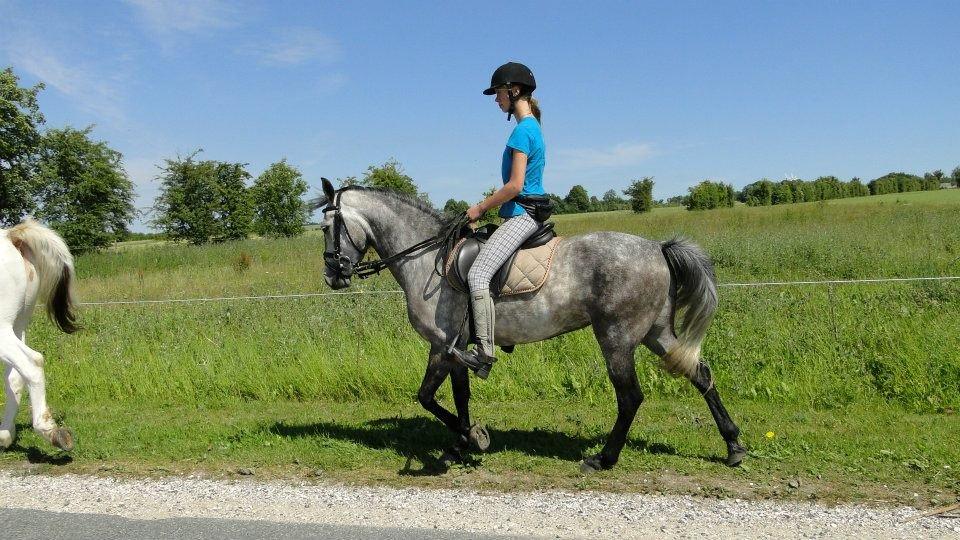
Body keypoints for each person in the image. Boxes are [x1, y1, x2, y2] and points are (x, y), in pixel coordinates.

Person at [451, 61, 546, 379]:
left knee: (477, 276)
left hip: (523, 216)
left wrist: (479, 208)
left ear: (514, 91)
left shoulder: (522, 131)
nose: (496, 99)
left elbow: (515, 186)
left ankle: (483, 353)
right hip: (521, 215)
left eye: (499, 93)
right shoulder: (532, 128)